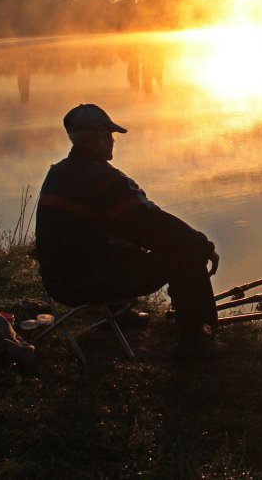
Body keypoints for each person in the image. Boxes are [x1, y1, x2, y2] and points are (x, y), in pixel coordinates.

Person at [35, 103, 227, 360]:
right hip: (88, 285)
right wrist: (201, 243)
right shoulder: (106, 180)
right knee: (186, 251)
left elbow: (133, 223)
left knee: (116, 234)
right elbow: (153, 225)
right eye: (111, 134)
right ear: (101, 135)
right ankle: (195, 340)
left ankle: (119, 312)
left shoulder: (56, 173)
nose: (113, 140)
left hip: (57, 282)